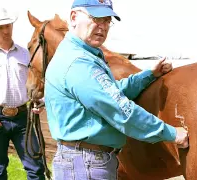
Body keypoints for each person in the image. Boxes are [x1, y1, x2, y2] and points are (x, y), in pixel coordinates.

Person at [44, 0, 189, 179]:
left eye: (106, 20)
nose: (102, 26)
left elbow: (111, 92)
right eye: (96, 18)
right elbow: (120, 110)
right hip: (86, 164)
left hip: (85, 161)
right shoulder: (79, 63)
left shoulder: (82, 55)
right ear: (74, 17)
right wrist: (171, 133)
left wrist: (149, 75)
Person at [0, 7, 45, 180]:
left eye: (7, 26)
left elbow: (39, 80)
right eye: (0, 27)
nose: (5, 31)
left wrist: (41, 101)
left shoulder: (26, 54)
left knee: (36, 168)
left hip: (23, 118)